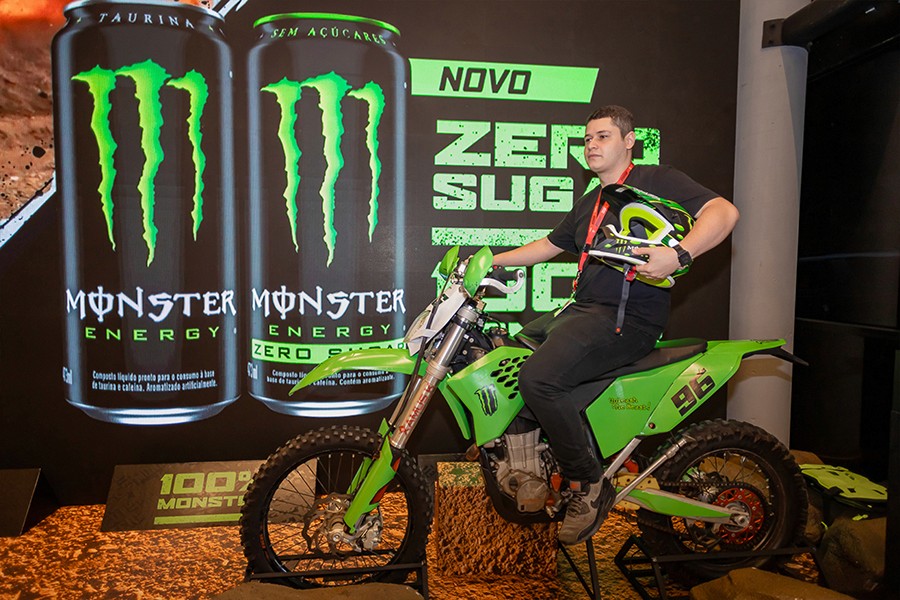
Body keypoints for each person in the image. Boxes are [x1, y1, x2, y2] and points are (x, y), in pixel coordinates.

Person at [491, 105, 739, 545]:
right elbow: (547, 246)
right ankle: (531, 461)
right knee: (507, 354)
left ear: (628, 141)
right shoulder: (592, 201)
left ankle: (588, 484)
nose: (591, 145)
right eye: (587, 139)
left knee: (539, 379)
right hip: (583, 311)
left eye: (602, 136)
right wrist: (489, 261)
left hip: (626, 321)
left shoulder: (655, 180)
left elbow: (724, 212)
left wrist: (679, 255)